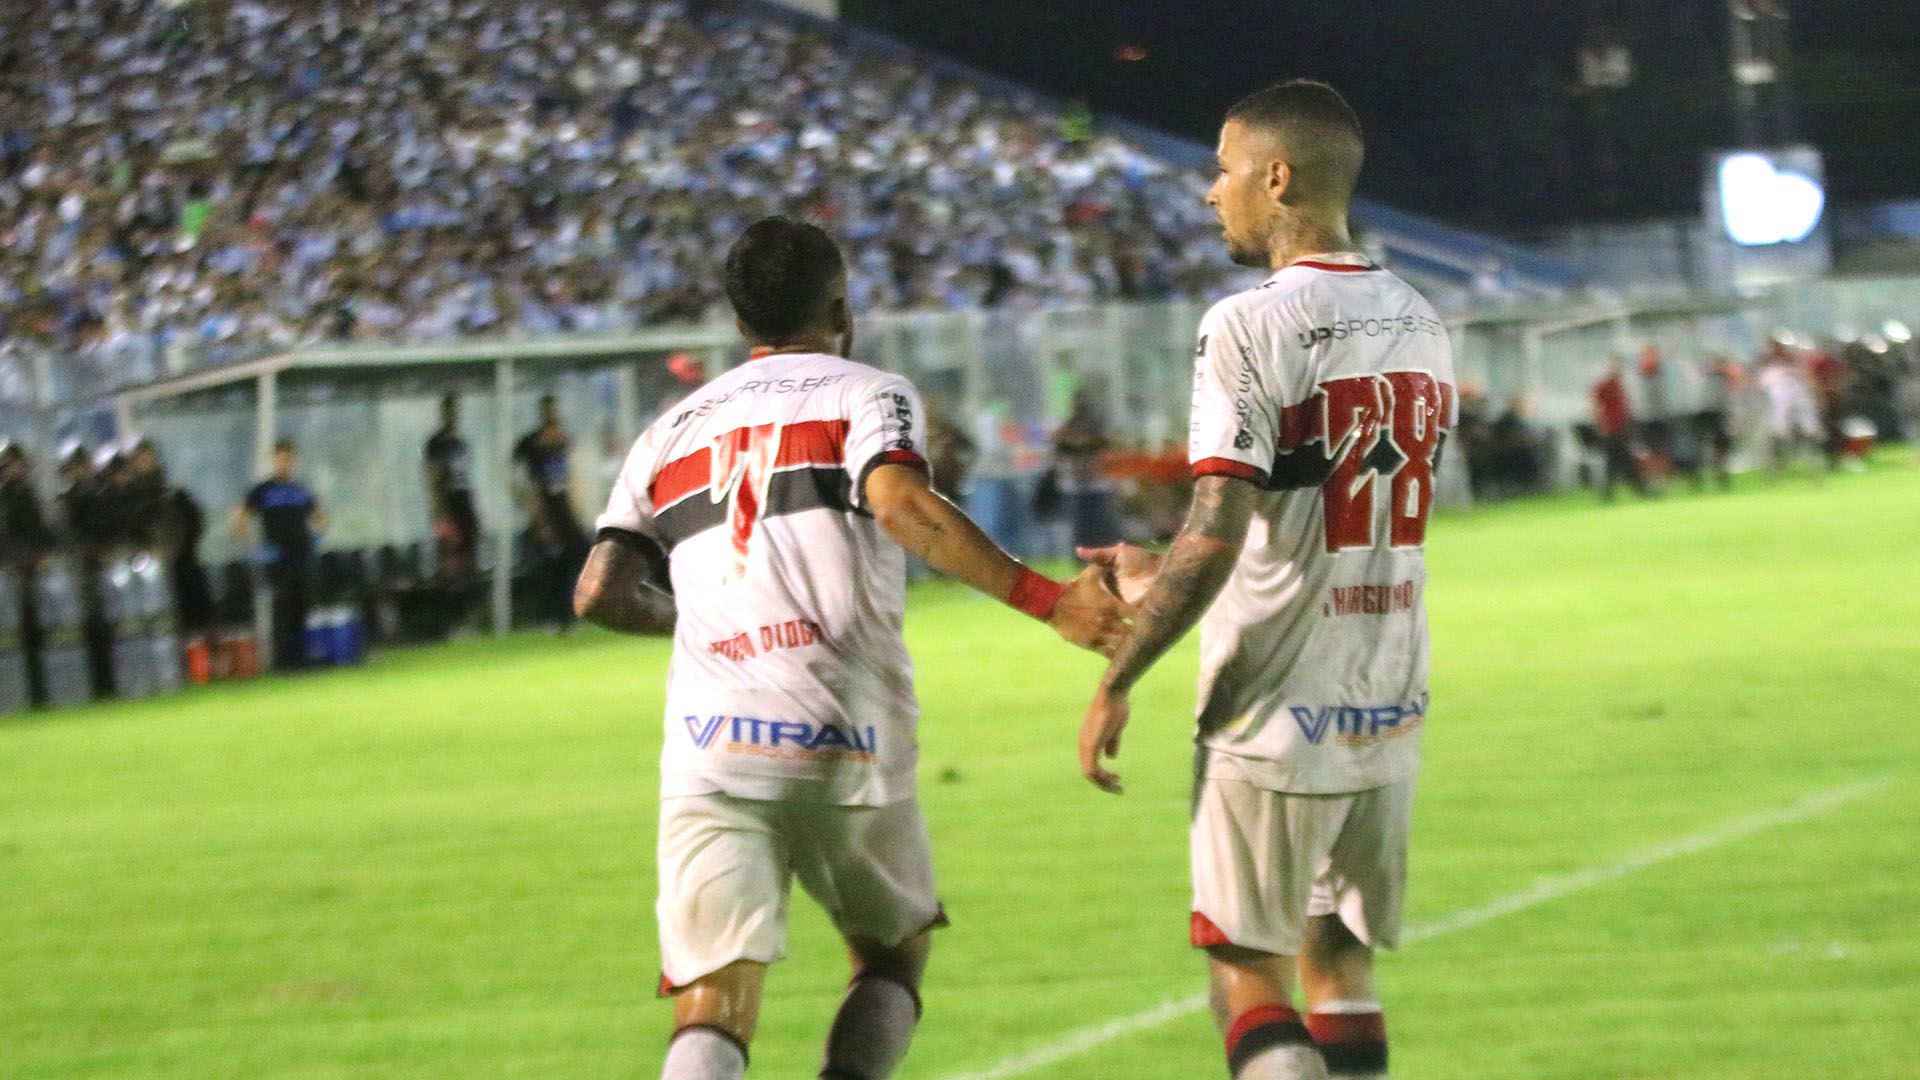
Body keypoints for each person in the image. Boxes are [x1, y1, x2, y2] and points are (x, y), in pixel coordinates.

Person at [573, 217, 1132, 1080]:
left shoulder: (668, 431)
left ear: (738, 321)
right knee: (890, 956)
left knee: (713, 998)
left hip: (708, 749)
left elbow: (598, 592)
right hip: (842, 731)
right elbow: (902, 507)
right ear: (841, 303)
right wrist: (1049, 600)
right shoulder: (866, 392)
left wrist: (694, 625)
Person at [1074, 81, 1456, 1080]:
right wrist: (1160, 572)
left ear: (1276, 177)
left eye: (1224, 168)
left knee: (1245, 971)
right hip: (1386, 697)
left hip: (1275, 709)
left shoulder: (1247, 324)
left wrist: (1122, 673)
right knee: (1338, 959)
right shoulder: (1419, 317)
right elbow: (1311, 520)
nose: (1212, 194)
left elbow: (1219, 526)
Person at [235, 440, 323, 670]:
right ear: (274, 460)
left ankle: (300, 656)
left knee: (300, 605)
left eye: (289, 458)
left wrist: (316, 538)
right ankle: (282, 659)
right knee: (281, 606)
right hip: (277, 558)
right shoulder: (263, 491)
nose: (285, 463)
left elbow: (320, 517)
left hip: (301, 556)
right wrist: (252, 548)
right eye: (281, 458)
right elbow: (241, 518)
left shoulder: (299, 490)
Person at [514, 394, 589, 631]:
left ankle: (570, 612)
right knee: (548, 565)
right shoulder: (532, 444)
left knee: (576, 556)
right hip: (546, 514)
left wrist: (578, 509)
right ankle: (550, 616)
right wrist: (536, 515)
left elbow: (571, 478)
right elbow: (524, 480)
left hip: (564, 512)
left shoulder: (563, 441)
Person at [424, 393, 482, 625]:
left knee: (470, 556)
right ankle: (451, 617)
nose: (454, 415)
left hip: (464, 500)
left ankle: (469, 612)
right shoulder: (435, 443)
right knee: (450, 560)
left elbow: (465, 477)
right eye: (450, 410)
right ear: (443, 412)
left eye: (457, 410)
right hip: (448, 504)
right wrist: (439, 512)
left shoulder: (461, 442)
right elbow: (431, 478)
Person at [1591, 358, 1645, 500]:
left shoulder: (1619, 385)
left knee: (1617, 461)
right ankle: (1638, 488)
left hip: (1622, 427)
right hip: (1611, 428)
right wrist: (1599, 423)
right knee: (1619, 460)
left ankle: (1610, 492)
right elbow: (1594, 404)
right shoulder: (1604, 385)